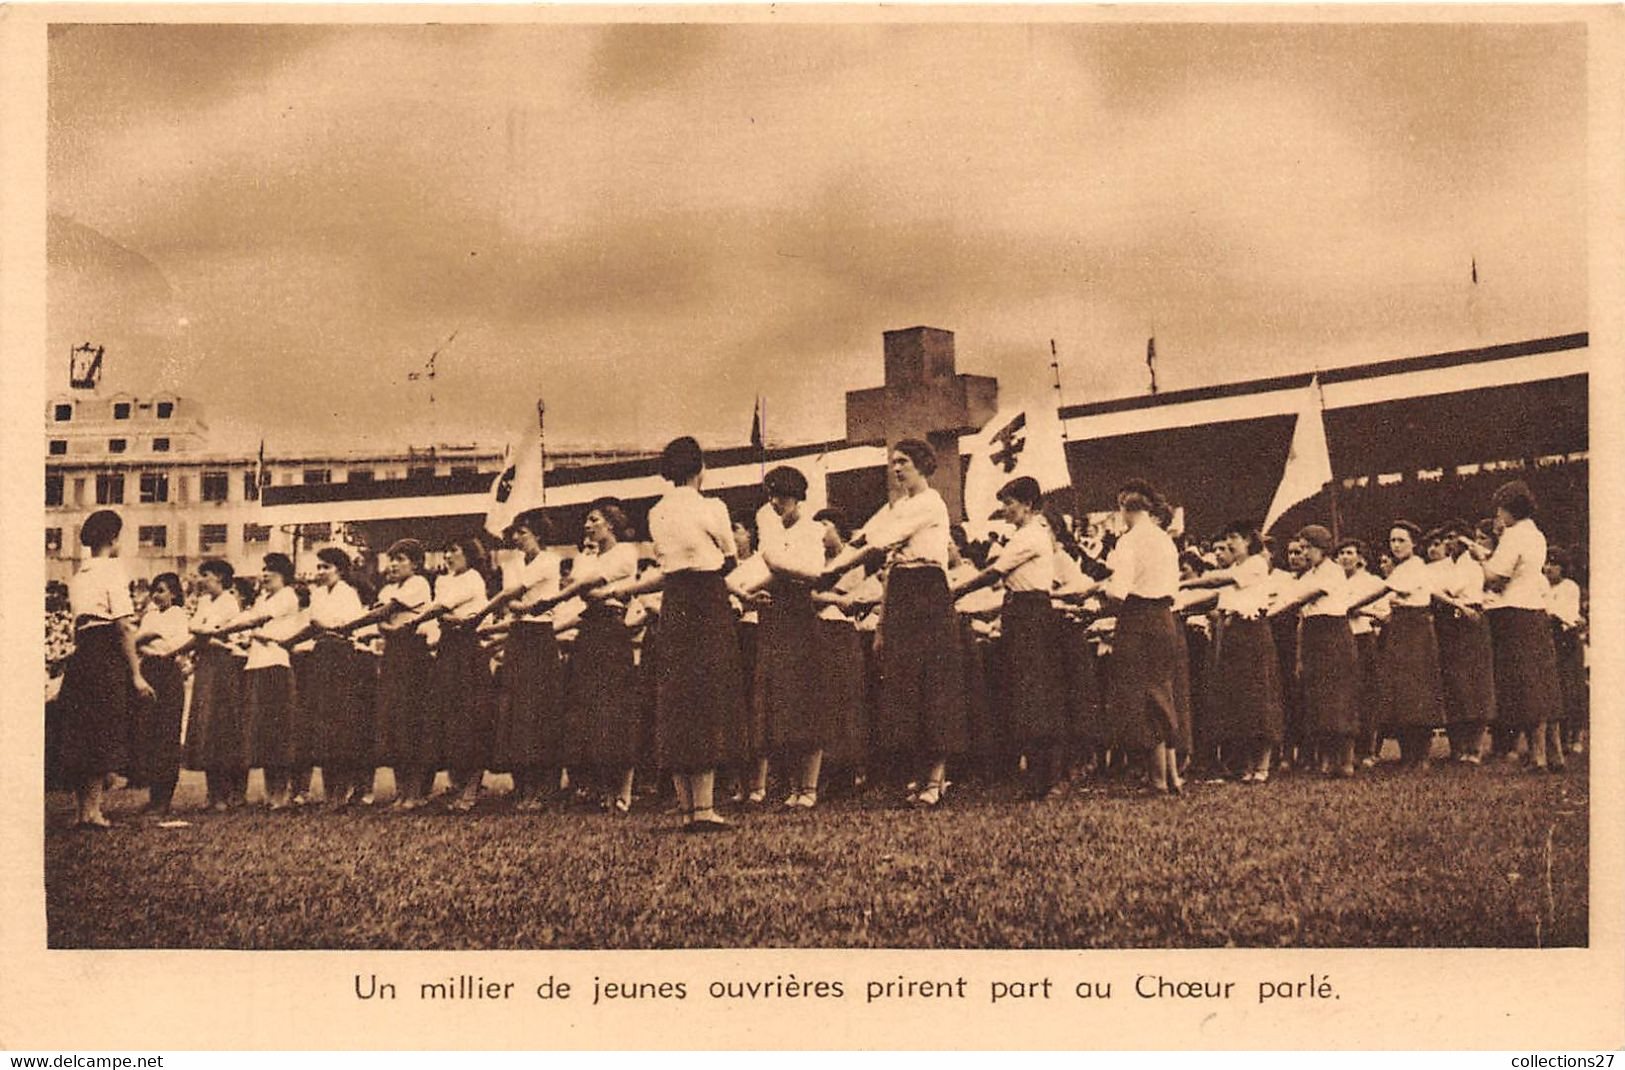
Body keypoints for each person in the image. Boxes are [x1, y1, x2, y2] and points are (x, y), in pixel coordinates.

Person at [589, 436, 750, 831]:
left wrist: (622, 589)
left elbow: (668, 569)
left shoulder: (658, 511)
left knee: (677, 699)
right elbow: (726, 559)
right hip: (707, 603)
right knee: (707, 699)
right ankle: (705, 808)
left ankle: (687, 807)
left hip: (675, 604)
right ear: (700, 469)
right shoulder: (712, 506)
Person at [821, 439, 964, 807]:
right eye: (893, 462)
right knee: (905, 685)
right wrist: (882, 623)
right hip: (901, 592)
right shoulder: (897, 506)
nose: (896, 469)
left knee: (931, 684)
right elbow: (866, 538)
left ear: (922, 465)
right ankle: (920, 777)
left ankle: (935, 780)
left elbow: (877, 545)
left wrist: (830, 573)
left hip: (927, 592)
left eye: (903, 462)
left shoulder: (930, 503)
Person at [951, 476, 1067, 798]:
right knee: (1026, 693)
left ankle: (1045, 778)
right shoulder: (1023, 535)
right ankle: (1039, 778)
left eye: (1009, 503)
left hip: (1031, 613)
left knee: (1034, 693)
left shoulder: (1031, 535)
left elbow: (994, 573)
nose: (1004, 509)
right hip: (1020, 612)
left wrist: (955, 590)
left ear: (1028, 504)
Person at [732, 467, 831, 807]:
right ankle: (793, 787)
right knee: (780, 702)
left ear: (798, 497)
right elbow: (766, 570)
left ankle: (810, 788)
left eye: (783, 497)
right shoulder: (772, 529)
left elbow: (813, 573)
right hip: (773, 614)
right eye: (772, 496)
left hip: (800, 616)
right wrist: (744, 592)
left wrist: (777, 567)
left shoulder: (812, 529)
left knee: (805, 701)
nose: (776, 503)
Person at [51, 510, 154, 827]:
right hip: (104, 652)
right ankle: (93, 811)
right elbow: (123, 626)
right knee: (100, 730)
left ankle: (84, 810)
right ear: (113, 539)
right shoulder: (112, 570)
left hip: (83, 653)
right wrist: (136, 674)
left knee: (81, 731)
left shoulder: (79, 575)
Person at [545, 499, 643, 813]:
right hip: (591, 632)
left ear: (611, 524)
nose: (588, 526)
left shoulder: (626, 552)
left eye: (594, 520)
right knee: (591, 710)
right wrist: (590, 589)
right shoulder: (586, 558)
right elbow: (585, 589)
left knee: (617, 707)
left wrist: (588, 590)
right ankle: (602, 788)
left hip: (613, 632)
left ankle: (623, 792)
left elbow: (590, 586)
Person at [1466, 480, 1565, 773]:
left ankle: (1537, 757)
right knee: (1543, 682)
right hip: (1534, 610)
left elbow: (1496, 577)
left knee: (1524, 687)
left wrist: (1477, 559)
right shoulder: (1536, 534)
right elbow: (1517, 568)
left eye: (1500, 510)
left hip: (1513, 613)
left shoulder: (1512, 535)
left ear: (1510, 510)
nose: (1499, 516)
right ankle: (1554, 753)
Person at [472, 512, 565, 810]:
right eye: (514, 533)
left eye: (522, 532)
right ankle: (522, 787)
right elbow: (513, 600)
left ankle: (541, 790)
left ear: (537, 533)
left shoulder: (550, 560)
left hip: (540, 638)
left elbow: (514, 594)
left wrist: (491, 608)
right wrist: (520, 606)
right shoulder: (512, 564)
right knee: (514, 711)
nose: (516, 539)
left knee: (538, 711)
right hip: (519, 637)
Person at [1099, 479, 1183, 795]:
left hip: (1139, 618)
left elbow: (1119, 591)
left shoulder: (1129, 541)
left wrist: (1097, 597)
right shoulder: (1165, 539)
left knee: (1143, 698)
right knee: (1162, 692)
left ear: (1124, 507)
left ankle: (1158, 780)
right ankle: (1172, 776)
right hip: (1164, 618)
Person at [338, 540, 436, 807]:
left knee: (410, 720)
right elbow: (380, 620)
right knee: (394, 722)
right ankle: (402, 792)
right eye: (391, 559)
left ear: (415, 563)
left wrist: (349, 625)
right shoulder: (390, 588)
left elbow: (384, 613)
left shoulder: (419, 584)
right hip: (393, 653)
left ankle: (414, 794)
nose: (393, 564)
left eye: (400, 559)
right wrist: (377, 625)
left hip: (412, 654)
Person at [1184, 520, 1283, 782]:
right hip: (1232, 635)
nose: (1229, 543)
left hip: (1252, 633)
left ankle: (1262, 766)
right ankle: (1247, 765)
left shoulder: (1256, 564)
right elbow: (1215, 596)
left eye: (1234, 538)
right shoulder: (1236, 568)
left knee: (1259, 696)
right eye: (1228, 537)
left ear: (1249, 540)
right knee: (1239, 700)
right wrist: (1181, 604)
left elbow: (1217, 580)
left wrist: (1184, 584)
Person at [406, 536, 495, 811]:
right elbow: (443, 616)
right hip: (447, 651)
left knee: (471, 717)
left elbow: (445, 608)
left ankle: (470, 789)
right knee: (445, 718)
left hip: (469, 652)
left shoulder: (474, 579)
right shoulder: (443, 581)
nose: (448, 556)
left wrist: (416, 619)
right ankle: (456, 784)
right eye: (445, 550)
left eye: (453, 550)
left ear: (469, 554)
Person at [211, 553, 303, 809]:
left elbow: (256, 621)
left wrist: (221, 630)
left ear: (283, 574)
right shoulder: (263, 598)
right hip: (256, 665)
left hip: (276, 665)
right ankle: (269, 792)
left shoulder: (287, 596)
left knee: (278, 731)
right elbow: (247, 620)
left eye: (270, 570)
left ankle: (280, 794)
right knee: (261, 733)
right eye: (263, 569)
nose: (264, 574)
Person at [281, 548, 371, 807]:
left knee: (340, 725)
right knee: (323, 727)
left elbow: (346, 625)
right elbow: (311, 626)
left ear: (340, 570)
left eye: (326, 567)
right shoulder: (318, 595)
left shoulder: (348, 594)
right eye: (319, 567)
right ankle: (330, 794)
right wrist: (287, 642)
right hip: (320, 658)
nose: (321, 572)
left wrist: (323, 627)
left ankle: (340, 795)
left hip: (342, 658)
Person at [1269, 525, 1359, 777]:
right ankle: (1327, 760)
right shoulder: (1308, 575)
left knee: (1339, 698)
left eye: (1308, 547)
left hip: (1333, 635)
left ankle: (1346, 761)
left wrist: (1269, 615)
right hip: (1311, 635)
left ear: (1321, 548)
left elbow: (1300, 599)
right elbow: (1296, 609)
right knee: (1318, 700)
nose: (1305, 553)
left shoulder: (1333, 572)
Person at [1354, 521, 1445, 768]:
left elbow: (1382, 590)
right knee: (1400, 691)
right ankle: (1409, 755)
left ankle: (1421, 756)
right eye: (1392, 540)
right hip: (1400, 628)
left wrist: (1351, 606)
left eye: (1401, 540)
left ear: (1414, 543)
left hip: (1415, 631)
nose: (1395, 545)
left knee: (1418, 690)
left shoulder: (1413, 566)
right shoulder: (1401, 569)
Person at [809, 507, 869, 790]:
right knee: (823, 700)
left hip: (841, 631)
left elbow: (845, 598)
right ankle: (826, 770)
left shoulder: (850, 560)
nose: (820, 532)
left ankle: (849, 769)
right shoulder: (813, 560)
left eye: (825, 525)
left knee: (846, 698)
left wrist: (816, 596)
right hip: (817, 631)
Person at [182, 559, 249, 810]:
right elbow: (196, 629)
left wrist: (204, 632)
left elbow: (209, 631)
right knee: (206, 726)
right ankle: (213, 793)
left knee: (224, 725)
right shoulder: (203, 602)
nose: (201, 579)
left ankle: (229, 794)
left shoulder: (229, 602)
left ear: (219, 577)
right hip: (207, 665)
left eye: (205, 575)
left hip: (225, 667)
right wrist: (203, 632)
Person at [1431, 522, 1497, 764]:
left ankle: (1475, 748)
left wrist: (1451, 596)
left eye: (1454, 537)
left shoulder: (1477, 562)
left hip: (1473, 619)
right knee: (1454, 684)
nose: (1450, 542)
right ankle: (1457, 747)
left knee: (1476, 684)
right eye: (1447, 537)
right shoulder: (1441, 566)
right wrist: (1454, 601)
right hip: (1450, 620)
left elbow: (1460, 587)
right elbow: (1436, 590)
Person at [129, 572, 190, 815]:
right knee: (150, 733)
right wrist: (149, 637)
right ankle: (154, 796)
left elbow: (173, 645)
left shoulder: (178, 614)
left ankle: (164, 797)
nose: (156, 595)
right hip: (149, 669)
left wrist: (148, 638)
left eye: (162, 590)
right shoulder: (150, 615)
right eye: (155, 590)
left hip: (168, 670)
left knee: (167, 732)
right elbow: (137, 642)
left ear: (174, 593)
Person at [1337, 538, 1387, 767]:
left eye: (1349, 553)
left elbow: (1385, 613)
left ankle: (1368, 749)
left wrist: (1362, 611)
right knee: (1346, 695)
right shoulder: (1335, 582)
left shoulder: (1372, 582)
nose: (1344, 557)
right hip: (1341, 640)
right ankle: (1347, 749)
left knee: (1366, 694)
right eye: (1341, 554)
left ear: (1361, 559)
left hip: (1364, 638)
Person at [1544, 547, 1588, 755]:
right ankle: (1560, 739)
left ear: (1563, 567)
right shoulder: (1541, 586)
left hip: (1567, 638)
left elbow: (1564, 613)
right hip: (1549, 637)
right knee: (1555, 689)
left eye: (1554, 564)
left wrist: (1551, 613)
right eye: (1547, 563)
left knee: (1572, 687)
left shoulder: (1569, 586)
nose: (1549, 568)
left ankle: (1576, 736)